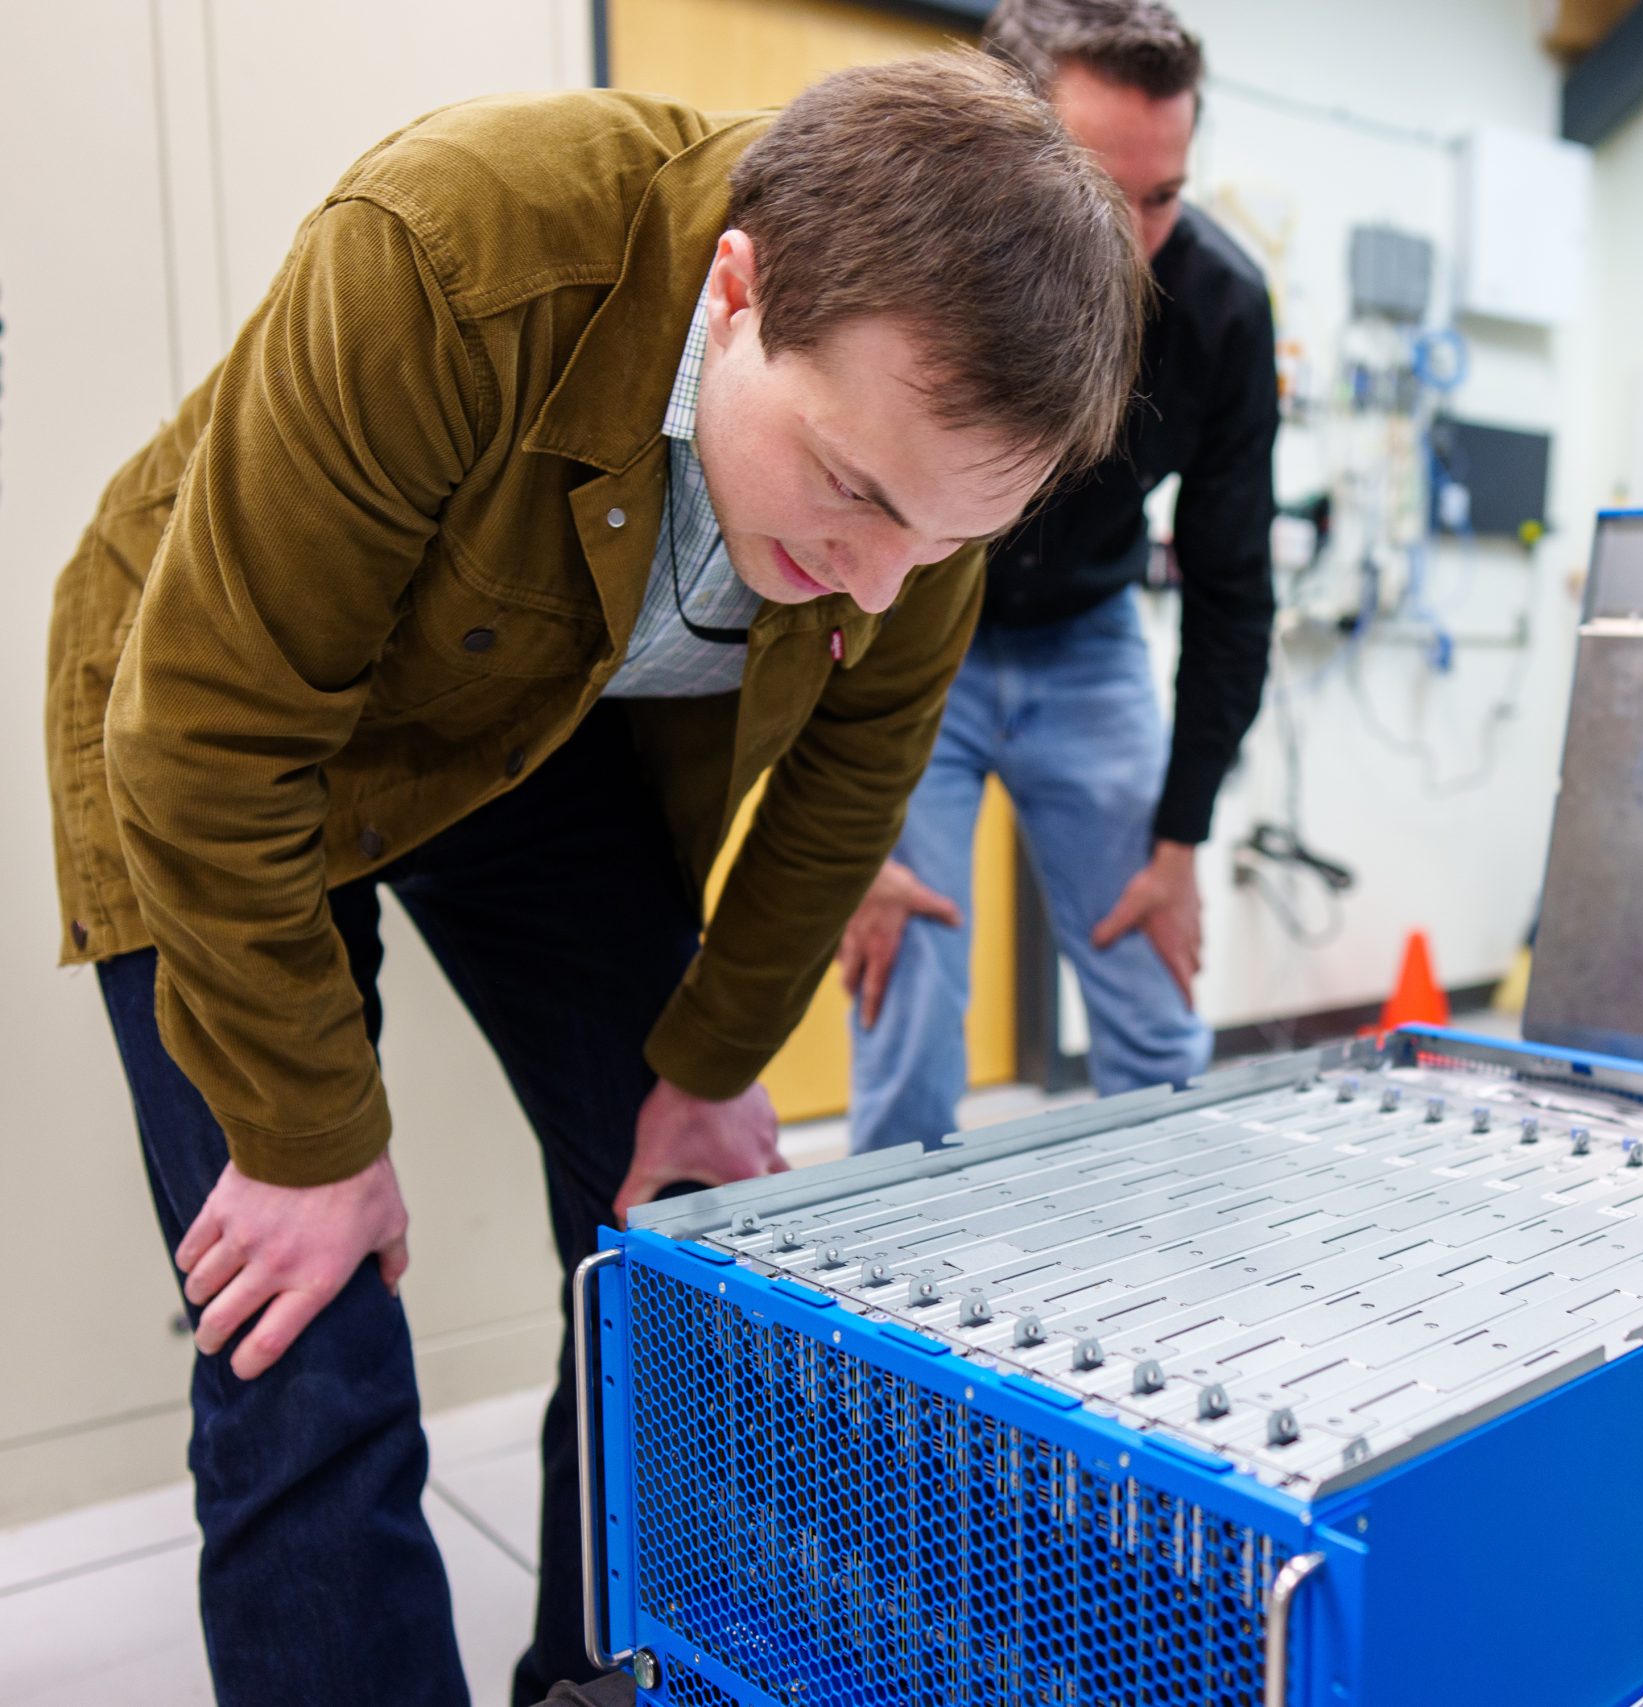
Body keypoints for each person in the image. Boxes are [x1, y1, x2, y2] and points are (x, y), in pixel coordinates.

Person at [45, 57, 1144, 1705]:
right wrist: (307, 1141)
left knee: (663, 1232)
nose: (878, 576)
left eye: (937, 538)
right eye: (850, 491)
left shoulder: (917, 487)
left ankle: (596, 1674)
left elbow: (847, 787)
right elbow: (208, 736)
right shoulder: (457, 247)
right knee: (307, 1328)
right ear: (738, 288)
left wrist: (704, 1073)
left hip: (531, 738)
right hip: (224, 730)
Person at [838, 0, 1279, 1151]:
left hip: (1089, 641)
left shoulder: (1224, 310)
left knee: (1152, 1010)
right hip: (910, 631)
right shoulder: (906, 260)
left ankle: (1179, 1297)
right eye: (1094, 187)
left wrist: (1181, 842)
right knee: (909, 1003)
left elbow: (1235, 588)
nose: (1128, 241)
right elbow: (812, 539)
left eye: (1163, 197)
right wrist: (848, 841)